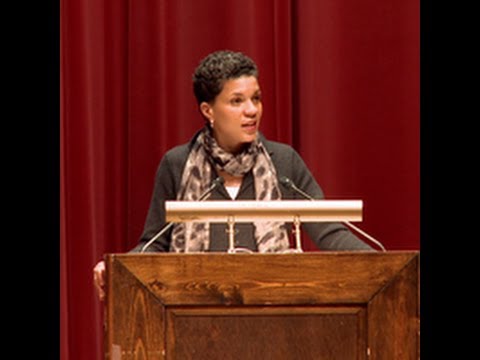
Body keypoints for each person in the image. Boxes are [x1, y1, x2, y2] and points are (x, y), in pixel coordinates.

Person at [93, 50, 374, 300]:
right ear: (208, 110)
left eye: (256, 98)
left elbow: (330, 232)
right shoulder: (177, 164)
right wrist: (116, 269)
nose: (252, 110)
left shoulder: (284, 163)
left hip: (273, 312)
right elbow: (155, 243)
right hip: (194, 314)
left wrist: (381, 265)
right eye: (237, 101)